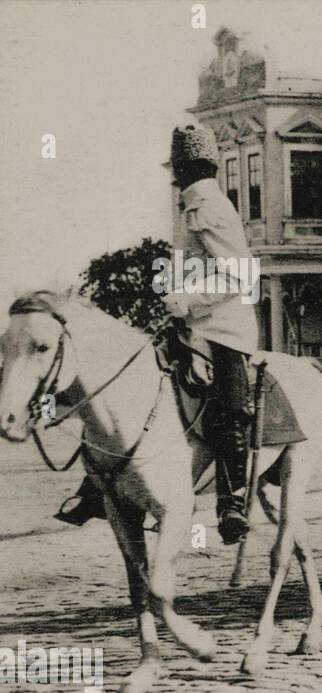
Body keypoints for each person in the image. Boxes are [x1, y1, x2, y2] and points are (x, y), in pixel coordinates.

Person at [56, 123, 259, 544]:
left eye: (184, 171)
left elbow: (241, 276)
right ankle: (96, 489)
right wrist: (172, 295)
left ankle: (233, 500)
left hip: (224, 329)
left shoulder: (212, 207)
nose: (181, 179)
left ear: (189, 171)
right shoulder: (188, 207)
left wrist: (188, 301)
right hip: (188, 325)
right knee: (130, 389)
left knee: (229, 410)